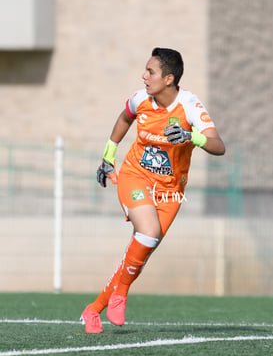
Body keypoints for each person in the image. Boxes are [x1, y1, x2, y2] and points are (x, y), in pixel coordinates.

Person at [81, 47, 225, 333]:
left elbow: (218, 146)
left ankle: (93, 309)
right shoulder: (140, 99)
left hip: (171, 192)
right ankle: (121, 293)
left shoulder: (190, 107)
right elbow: (124, 118)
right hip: (135, 176)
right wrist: (108, 156)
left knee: (141, 251)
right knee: (148, 232)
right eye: (145, 71)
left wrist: (191, 136)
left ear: (169, 79)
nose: (144, 76)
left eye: (151, 72)